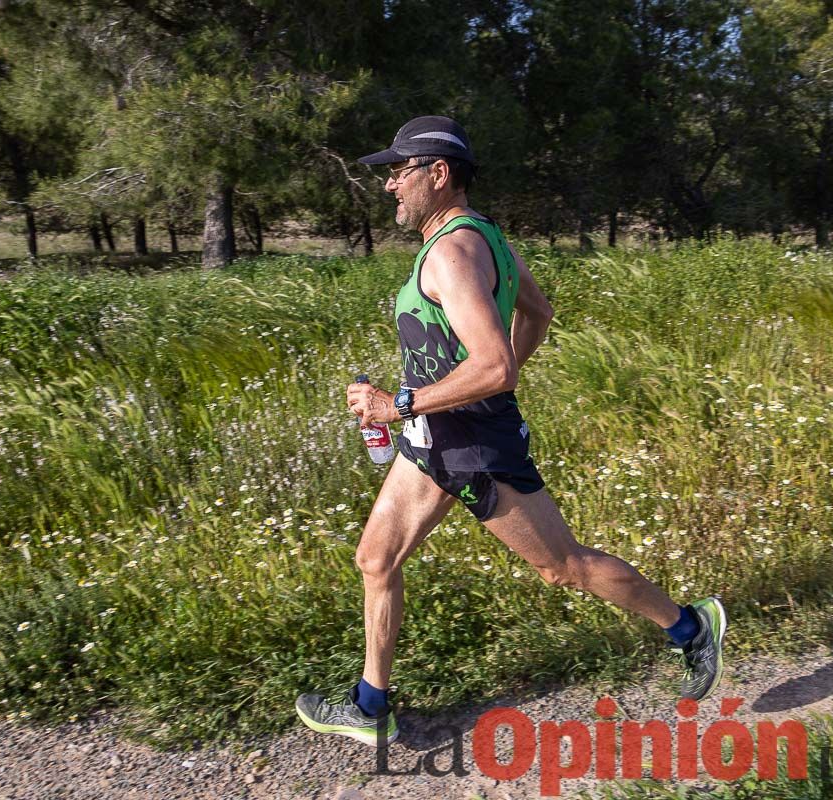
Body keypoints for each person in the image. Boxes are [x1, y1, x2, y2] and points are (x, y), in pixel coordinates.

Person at [295, 116, 725, 746]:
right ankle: (370, 706)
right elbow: (536, 314)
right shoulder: (483, 237)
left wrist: (403, 403)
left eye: (399, 171)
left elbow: (492, 363)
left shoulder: (452, 251)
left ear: (438, 175)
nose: (390, 185)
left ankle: (691, 628)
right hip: (436, 435)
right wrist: (446, 395)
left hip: (471, 443)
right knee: (376, 557)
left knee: (564, 566)